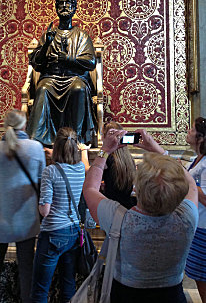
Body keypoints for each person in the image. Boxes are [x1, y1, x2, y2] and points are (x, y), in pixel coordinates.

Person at [83, 128, 198, 303]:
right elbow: (189, 182)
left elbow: (90, 188)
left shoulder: (119, 219)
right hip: (171, 297)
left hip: (126, 296)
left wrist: (104, 151)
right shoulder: (187, 218)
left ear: (139, 188)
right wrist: (158, 149)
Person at [0, 110, 46, 303]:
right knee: (26, 269)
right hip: (25, 219)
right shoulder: (35, 148)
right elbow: (41, 179)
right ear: (25, 125)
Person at [27, 0, 97, 146]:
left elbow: (90, 62)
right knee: (43, 89)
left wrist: (68, 59)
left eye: (68, 3)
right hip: (51, 79)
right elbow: (37, 65)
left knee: (78, 89)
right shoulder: (48, 35)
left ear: (74, 8)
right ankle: (37, 141)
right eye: (61, 4)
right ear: (56, 8)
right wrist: (46, 46)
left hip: (75, 78)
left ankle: (75, 139)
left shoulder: (82, 36)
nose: (64, 6)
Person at [31, 127, 85, 303]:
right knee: (68, 285)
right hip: (74, 230)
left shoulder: (50, 171)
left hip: (54, 232)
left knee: (40, 289)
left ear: (56, 147)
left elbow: (45, 210)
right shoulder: (80, 169)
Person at [184, 117, 206, 302]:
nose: (188, 131)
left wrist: (187, 180)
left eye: (191, 129)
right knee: (199, 275)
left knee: (202, 275)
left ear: (200, 137)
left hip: (204, 228)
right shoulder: (197, 159)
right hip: (197, 225)